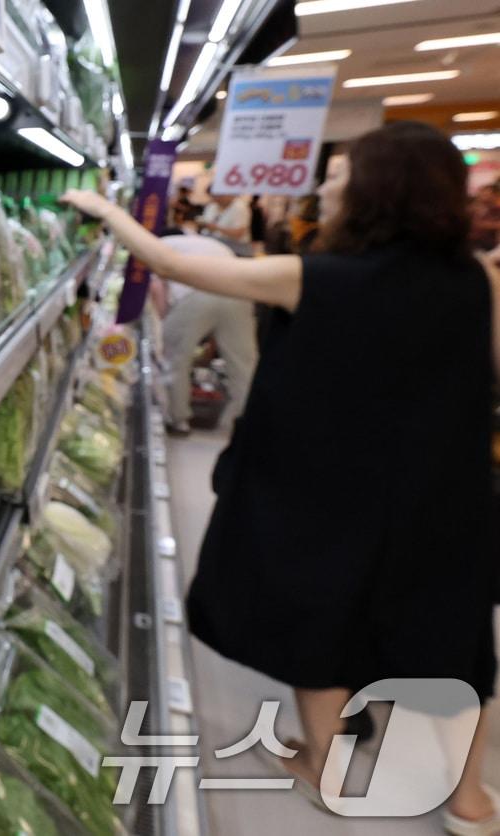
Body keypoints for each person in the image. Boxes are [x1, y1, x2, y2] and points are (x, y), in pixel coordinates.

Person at [64, 120, 499, 832]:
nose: (323, 187)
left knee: (319, 619)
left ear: (376, 194)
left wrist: (110, 211)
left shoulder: (311, 277)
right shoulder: (477, 280)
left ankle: (325, 771)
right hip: (442, 494)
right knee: (451, 637)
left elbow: (172, 266)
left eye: (338, 178)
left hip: (327, 490)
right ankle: (471, 802)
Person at [155, 230, 258, 436]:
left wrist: (165, 323)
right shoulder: (207, 242)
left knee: (176, 356)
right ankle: (254, 423)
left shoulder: (157, 244)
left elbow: (157, 290)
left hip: (197, 292)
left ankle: (179, 420)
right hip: (238, 293)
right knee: (244, 363)